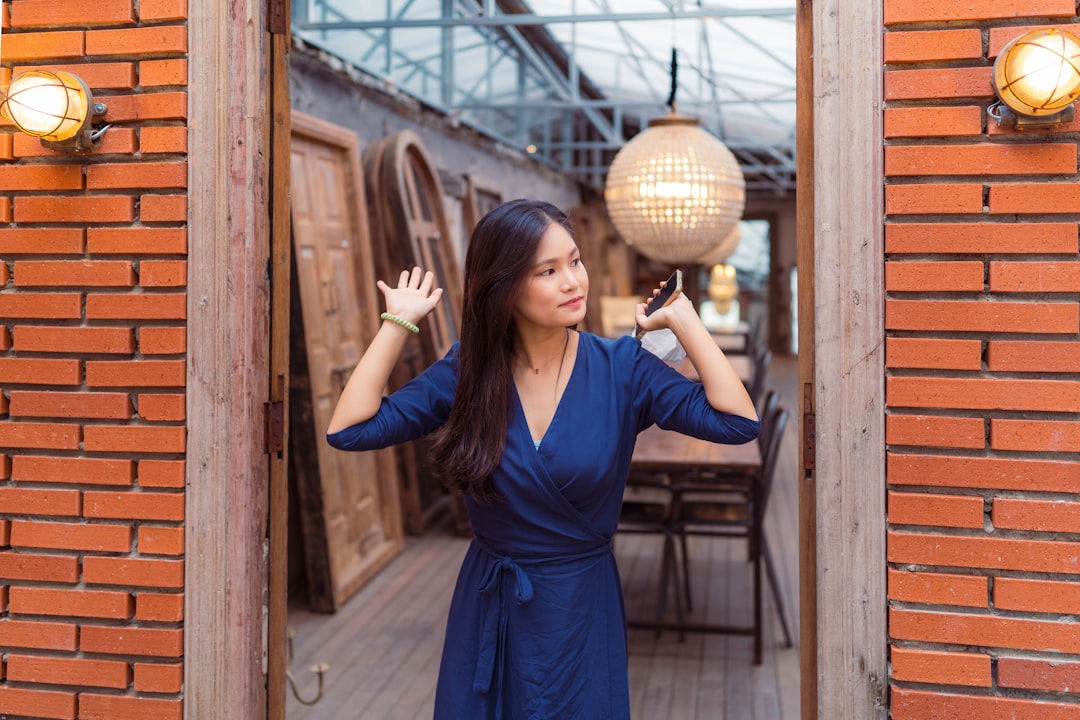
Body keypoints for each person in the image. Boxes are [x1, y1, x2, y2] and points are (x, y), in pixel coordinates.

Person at [326, 199, 759, 720]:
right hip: (490, 604)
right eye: (547, 271)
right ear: (503, 287)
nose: (573, 281)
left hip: (579, 608)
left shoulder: (624, 368)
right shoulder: (468, 371)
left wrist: (685, 322)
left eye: (574, 261)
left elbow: (738, 423)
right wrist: (398, 324)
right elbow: (349, 430)